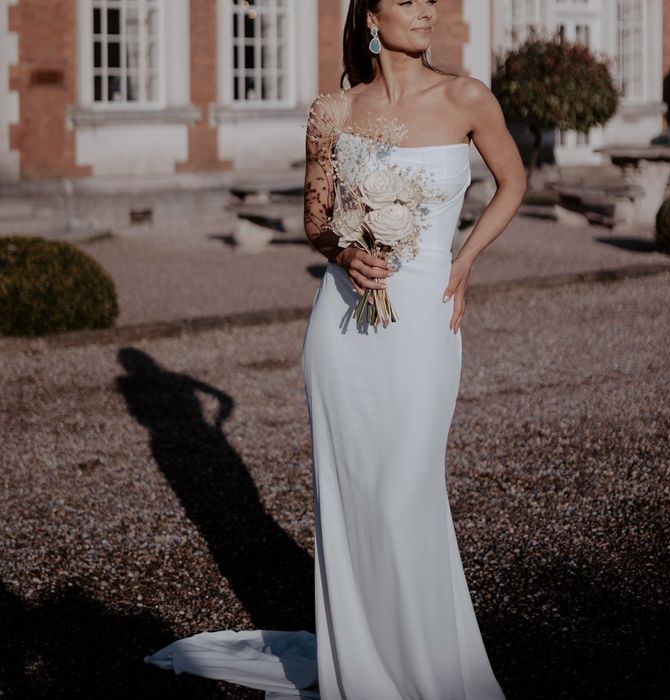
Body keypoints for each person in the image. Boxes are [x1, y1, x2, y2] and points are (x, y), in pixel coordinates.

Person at [145, 1, 525, 698]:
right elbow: (315, 221)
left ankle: (427, 665)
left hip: (423, 323)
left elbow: (514, 183)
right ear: (372, 18)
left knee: (403, 492)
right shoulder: (334, 112)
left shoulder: (468, 97)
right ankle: (365, 663)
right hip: (343, 327)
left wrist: (463, 262)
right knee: (353, 498)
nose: (427, 10)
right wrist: (346, 250)